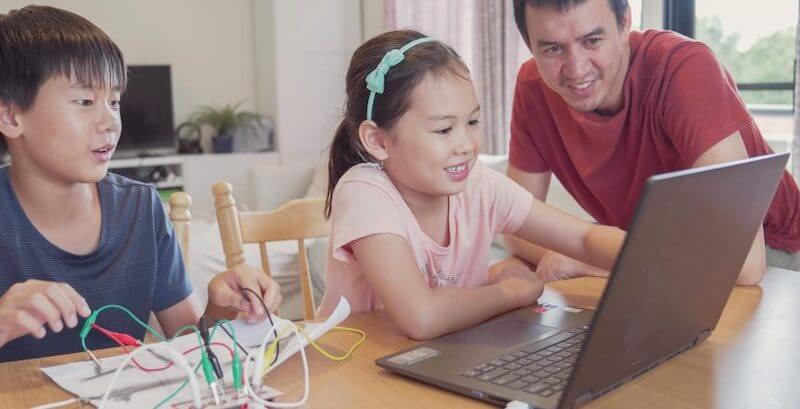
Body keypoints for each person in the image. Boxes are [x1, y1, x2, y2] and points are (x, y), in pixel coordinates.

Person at [0, 5, 281, 361]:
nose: (110, 122)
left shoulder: (141, 208)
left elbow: (188, 343)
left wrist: (219, 306)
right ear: (11, 116)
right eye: (85, 101)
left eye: (114, 101)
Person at [316, 29, 626, 340]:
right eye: (444, 129)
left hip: (439, 359)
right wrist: (511, 292)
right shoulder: (364, 192)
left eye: (473, 122)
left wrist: (662, 260)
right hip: (357, 373)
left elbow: (583, 238)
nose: (466, 144)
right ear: (378, 140)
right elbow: (421, 316)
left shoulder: (478, 184)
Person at [506, 0, 800, 284]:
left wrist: (590, 259)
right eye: (553, 49)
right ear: (530, 44)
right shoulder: (532, 88)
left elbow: (745, 264)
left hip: (775, 251)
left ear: (624, 23)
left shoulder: (685, 70)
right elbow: (514, 224)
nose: (576, 69)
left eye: (592, 40)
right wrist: (567, 255)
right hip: (652, 251)